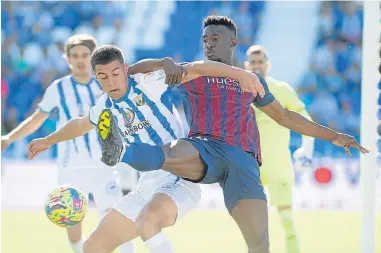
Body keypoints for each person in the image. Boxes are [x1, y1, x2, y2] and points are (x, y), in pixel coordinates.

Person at [96, 16, 368, 253]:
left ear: (233, 41)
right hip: (205, 149)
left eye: (216, 38)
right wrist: (163, 62)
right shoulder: (194, 72)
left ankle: (127, 152)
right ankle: (122, 151)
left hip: (243, 160)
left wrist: (334, 136)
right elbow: (133, 71)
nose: (209, 43)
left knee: (260, 243)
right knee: (170, 152)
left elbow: (284, 116)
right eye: (205, 39)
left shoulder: (251, 81)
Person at [27, 44, 266, 253]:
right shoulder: (104, 106)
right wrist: (48, 140)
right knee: (93, 247)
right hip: (146, 187)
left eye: (116, 73)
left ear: (126, 69)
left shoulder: (148, 83)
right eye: (103, 77)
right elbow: (80, 124)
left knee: (146, 223)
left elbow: (197, 68)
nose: (111, 82)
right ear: (96, 78)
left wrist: (239, 74)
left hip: (180, 179)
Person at [0, 35, 134, 253]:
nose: (80, 60)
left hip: (104, 167)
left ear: (93, 57)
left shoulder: (106, 84)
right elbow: (37, 119)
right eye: (74, 56)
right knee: (73, 229)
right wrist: (9, 137)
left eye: (85, 55)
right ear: (67, 58)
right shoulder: (58, 88)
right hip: (70, 170)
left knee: (116, 221)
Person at [245, 45, 315, 253]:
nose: (257, 66)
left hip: (278, 164)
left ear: (268, 65)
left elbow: (305, 119)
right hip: (251, 166)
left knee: (287, 221)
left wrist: (307, 150)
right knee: (254, 224)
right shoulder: (239, 91)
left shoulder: (282, 90)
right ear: (246, 65)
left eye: (260, 62)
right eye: (253, 62)